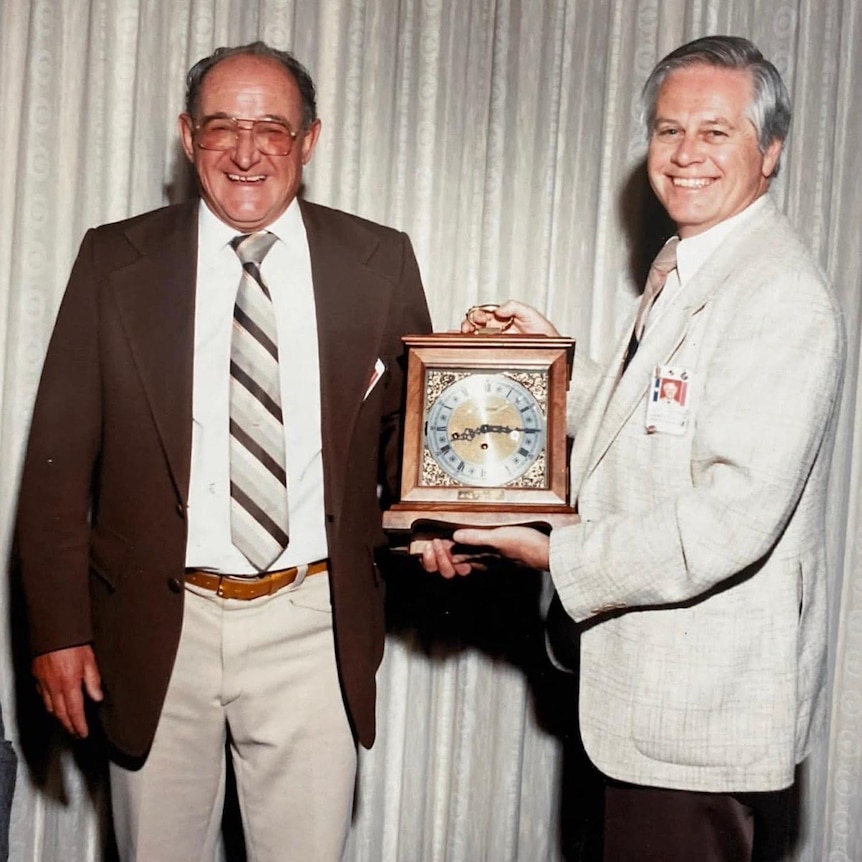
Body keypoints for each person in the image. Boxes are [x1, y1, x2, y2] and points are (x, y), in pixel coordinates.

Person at [423, 36, 845, 860]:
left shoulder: (779, 295)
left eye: (716, 132)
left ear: (772, 151)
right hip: (643, 703)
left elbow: (728, 521)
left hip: (696, 715)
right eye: (667, 130)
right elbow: (654, 422)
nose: (686, 155)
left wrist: (556, 555)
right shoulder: (693, 263)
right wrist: (549, 373)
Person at [16, 41, 431, 862]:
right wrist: (56, 629)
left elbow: (406, 445)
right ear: (185, 136)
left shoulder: (379, 261)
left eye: (272, 130)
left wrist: (447, 522)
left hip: (313, 626)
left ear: (309, 140)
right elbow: (56, 464)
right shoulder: (114, 260)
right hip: (155, 628)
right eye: (221, 128)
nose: (246, 153)